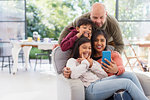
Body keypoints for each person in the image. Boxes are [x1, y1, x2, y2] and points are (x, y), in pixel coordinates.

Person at [83, 29, 148, 100]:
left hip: (113, 83)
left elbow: (122, 68)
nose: (99, 43)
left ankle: (142, 97)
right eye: (96, 40)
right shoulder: (89, 58)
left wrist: (116, 70)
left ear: (106, 42)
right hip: (100, 86)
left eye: (102, 40)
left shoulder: (114, 55)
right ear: (92, 42)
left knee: (130, 75)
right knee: (126, 85)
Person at [58, 2, 124, 54]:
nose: (98, 21)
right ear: (90, 15)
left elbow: (120, 44)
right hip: (90, 44)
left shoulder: (113, 23)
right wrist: (60, 44)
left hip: (108, 43)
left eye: (101, 17)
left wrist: (114, 57)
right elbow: (68, 29)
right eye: (95, 17)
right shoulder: (82, 19)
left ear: (106, 14)